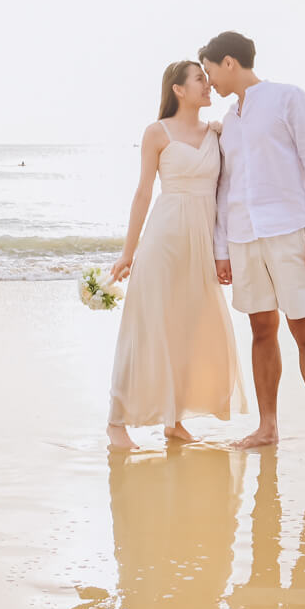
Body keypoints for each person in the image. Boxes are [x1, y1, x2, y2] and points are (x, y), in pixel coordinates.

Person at [200, 31, 305, 463]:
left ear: (229, 62)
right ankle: (267, 427)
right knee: (261, 330)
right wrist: (221, 248)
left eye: (210, 70)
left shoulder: (288, 98)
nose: (209, 81)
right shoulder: (229, 120)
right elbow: (226, 187)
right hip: (243, 237)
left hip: (288, 231)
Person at [104, 61, 248, 451]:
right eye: (200, 79)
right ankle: (117, 422)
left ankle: (175, 419)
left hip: (200, 243)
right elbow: (142, 194)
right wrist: (127, 253)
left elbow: (227, 193)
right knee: (146, 327)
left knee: (191, 328)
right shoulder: (157, 133)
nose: (208, 85)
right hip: (164, 240)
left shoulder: (216, 132)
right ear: (179, 90)